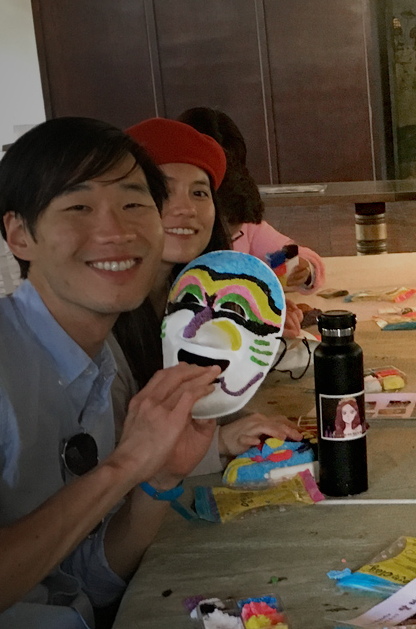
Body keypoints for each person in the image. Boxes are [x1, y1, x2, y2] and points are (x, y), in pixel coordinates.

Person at [0, 118, 222, 629]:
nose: (115, 230)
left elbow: (84, 573)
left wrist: (158, 478)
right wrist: (122, 468)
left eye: (135, 203)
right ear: (19, 234)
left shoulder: (102, 354)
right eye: (79, 206)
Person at [115, 118, 299, 469]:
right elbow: (108, 456)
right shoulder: (102, 317)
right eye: (164, 191)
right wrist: (218, 444)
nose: (188, 209)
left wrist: (235, 423)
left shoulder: (192, 296)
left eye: (200, 192)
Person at [176, 107, 325, 292]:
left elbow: (286, 254)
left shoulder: (241, 223)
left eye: (231, 168)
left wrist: (304, 268)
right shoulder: (173, 239)